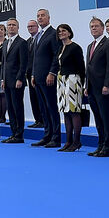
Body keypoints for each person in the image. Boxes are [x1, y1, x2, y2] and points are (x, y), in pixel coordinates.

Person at [29, 8, 62, 148]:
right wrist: (33, 74)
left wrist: (52, 73)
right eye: (38, 16)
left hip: (48, 78)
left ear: (49, 18)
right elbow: (35, 58)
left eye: (43, 15)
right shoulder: (38, 35)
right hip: (38, 77)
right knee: (43, 108)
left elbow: (56, 55)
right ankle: (47, 135)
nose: (40, 18)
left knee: (51, 107)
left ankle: (56, 137)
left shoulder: (53, 34)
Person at [84, 17, 109, 157]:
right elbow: (88, 68)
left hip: (103, 87)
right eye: (91, 26)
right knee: (97, 118)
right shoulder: (90, 45)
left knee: (106, 118)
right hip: (91, 87)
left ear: (102, 28)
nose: (94, 28)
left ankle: (108, 147)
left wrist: (107, 85)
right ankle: (101, 145)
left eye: (96, 26)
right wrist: (86, 85)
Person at [55, 23, 86, 152]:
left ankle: (77, 141)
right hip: (62, 81)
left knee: (74, 112)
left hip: (73, 81)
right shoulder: (60, 48)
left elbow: (81, 67)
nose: (61, 33)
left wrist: (82, 84)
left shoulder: (75, 47)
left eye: (64, 31)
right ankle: (68, 141)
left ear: (69, 32)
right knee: (66, 112)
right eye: (59, 31)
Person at [0, 18, 28, 144]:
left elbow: (23, 63)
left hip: (17, 81)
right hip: (7, 81)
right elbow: (4, 63)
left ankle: (19, 135)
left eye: (13, 25)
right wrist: (2, 79)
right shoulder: (6, 43)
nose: (11, 27)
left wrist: (20, 78)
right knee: (10, 108)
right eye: (9, 25)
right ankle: (13, 133)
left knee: (17, 108)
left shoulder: (22, 43)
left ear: (18, 27)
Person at [24, 19, 43, 128]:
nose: (30, 28)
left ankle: (43, 120)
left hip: (39, 74)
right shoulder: (27, 42)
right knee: (33, 98)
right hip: (29, 74)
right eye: (29, 27)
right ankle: (37, 119)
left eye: (32, 26)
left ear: (37, 27)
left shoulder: (40, 39)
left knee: (40, 97)